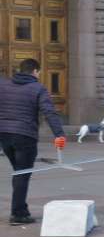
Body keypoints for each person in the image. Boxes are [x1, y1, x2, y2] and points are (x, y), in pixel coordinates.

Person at [0, 58, 66, 225]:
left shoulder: (4, 85)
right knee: (22, 173)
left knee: (19, 171)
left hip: (5, 135)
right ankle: (18, 214)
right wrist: (59, 134)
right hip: (25, 136)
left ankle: (21, 209)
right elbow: (49, 112)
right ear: (36, 71)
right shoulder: (38, 88)